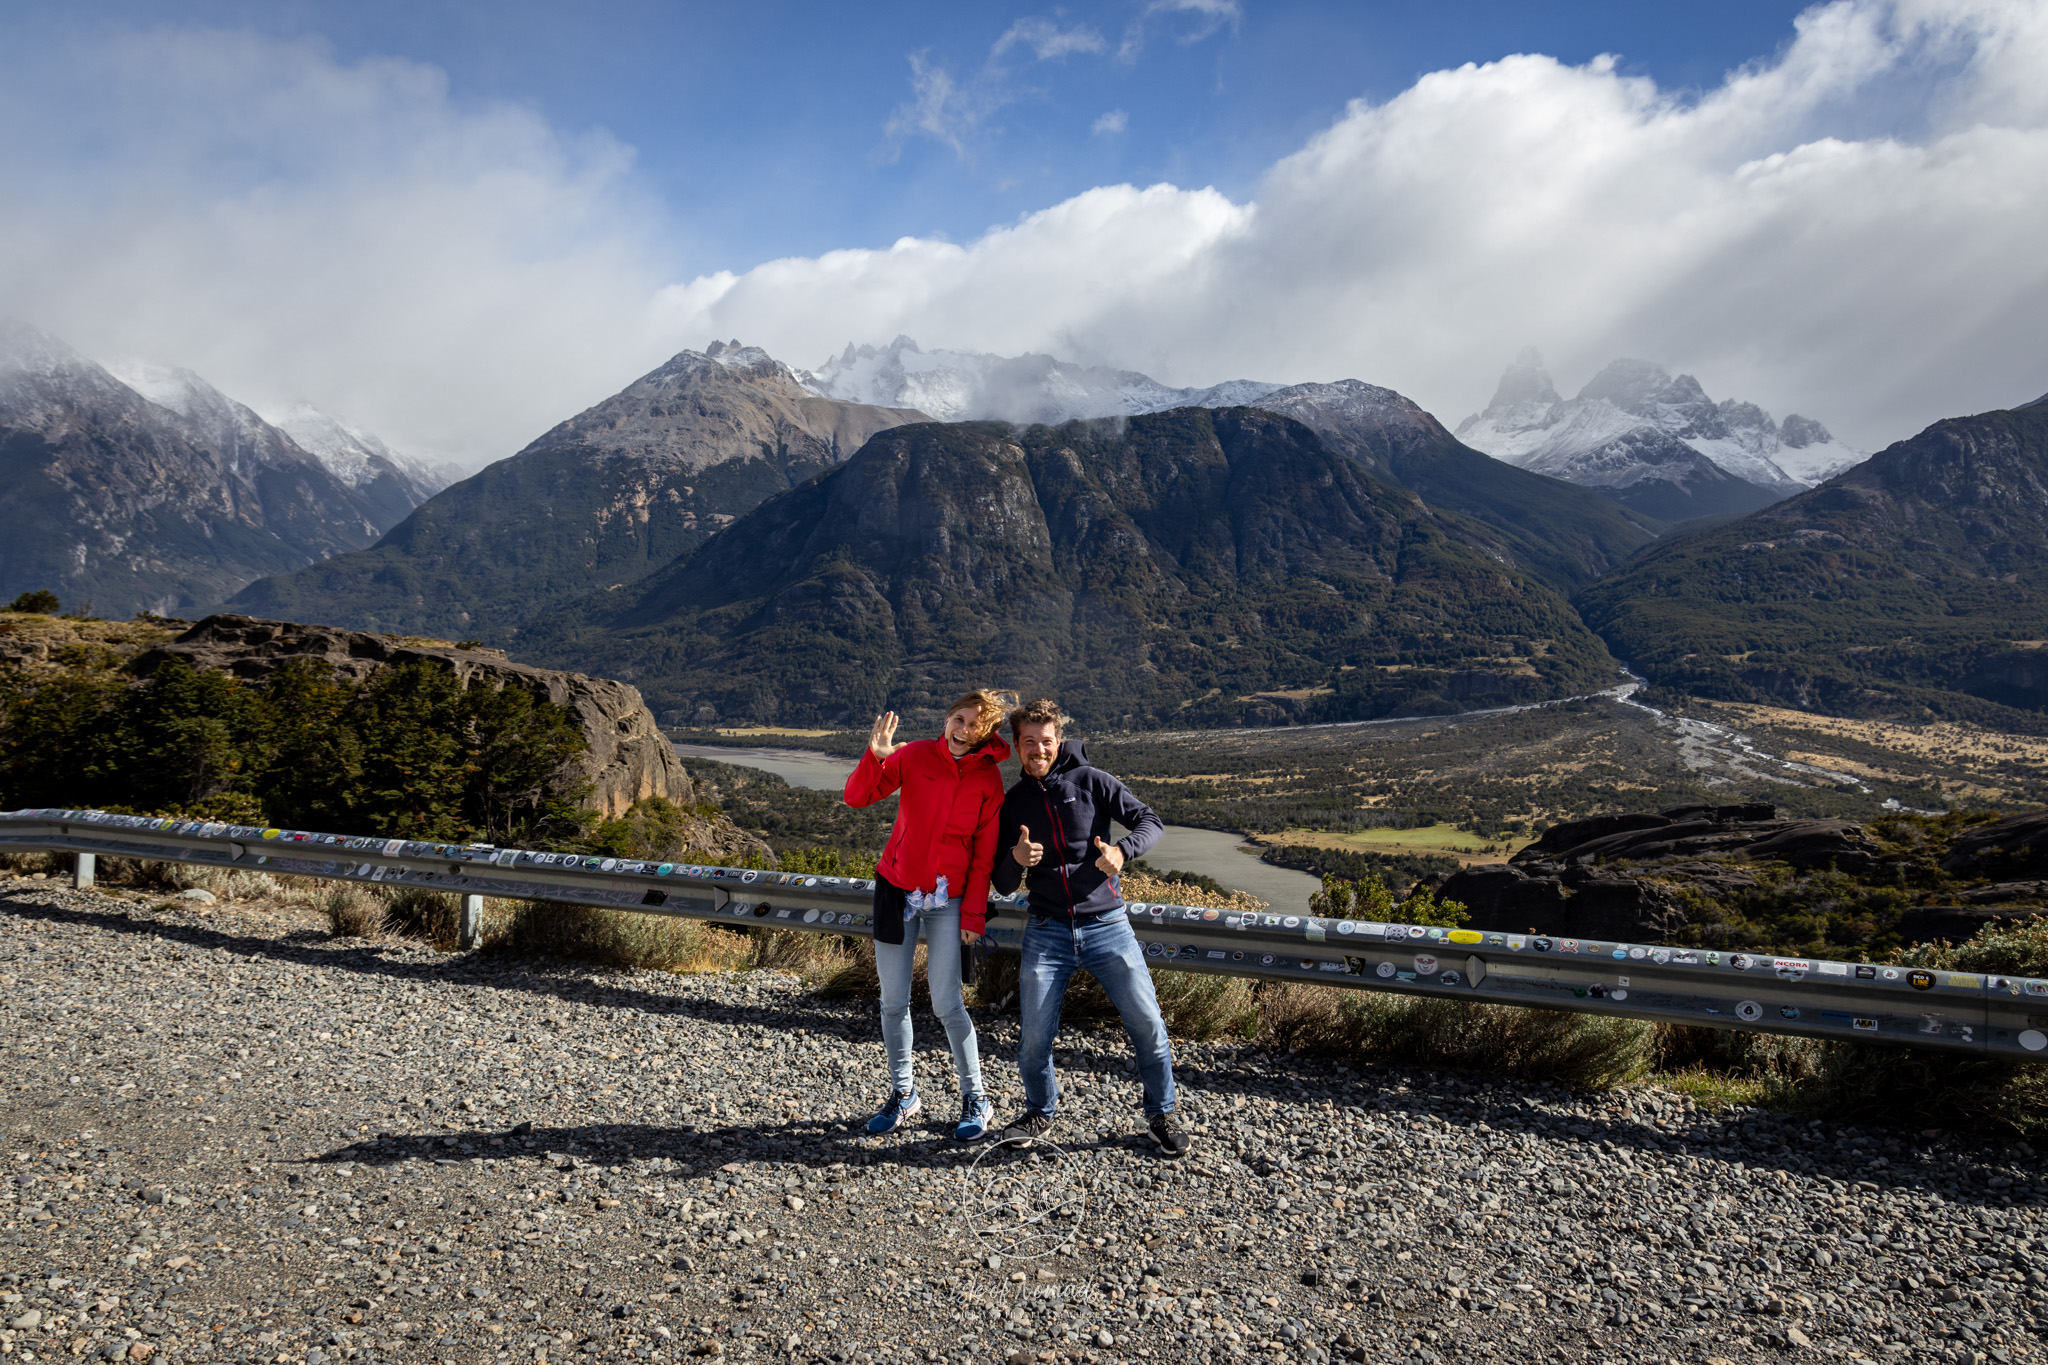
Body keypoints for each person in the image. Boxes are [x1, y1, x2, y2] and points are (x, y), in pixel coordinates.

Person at [989, 698, 1189, 1157]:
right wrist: (1015, 861)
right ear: (1017, 746)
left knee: (1148, 1023)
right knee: (1034, 1036)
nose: (1038, 750)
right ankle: (1039, 1109)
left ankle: (1162, 1113)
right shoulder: (1013, 803)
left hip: (1107, 925)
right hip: (1046, 929)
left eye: (1046, 741)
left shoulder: (1092, 781)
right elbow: (1000, 884)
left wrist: (1122, 851)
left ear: (1058, 741)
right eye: (1029, 743)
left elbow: (1149, 820)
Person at [842, 690, 1013, 1141]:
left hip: (950, 901)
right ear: (947, 718)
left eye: (975, 725)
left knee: (947, 1003)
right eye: (959, 718)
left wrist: (974, 915)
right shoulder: (914, 756)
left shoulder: (989, 782)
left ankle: (976, 1096)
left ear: (986, 733)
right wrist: (875, 758)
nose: (963, 730)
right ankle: (904, 1094)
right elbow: (857, 797)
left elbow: (982, 857)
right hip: (896, 890)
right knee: (893, 1001)